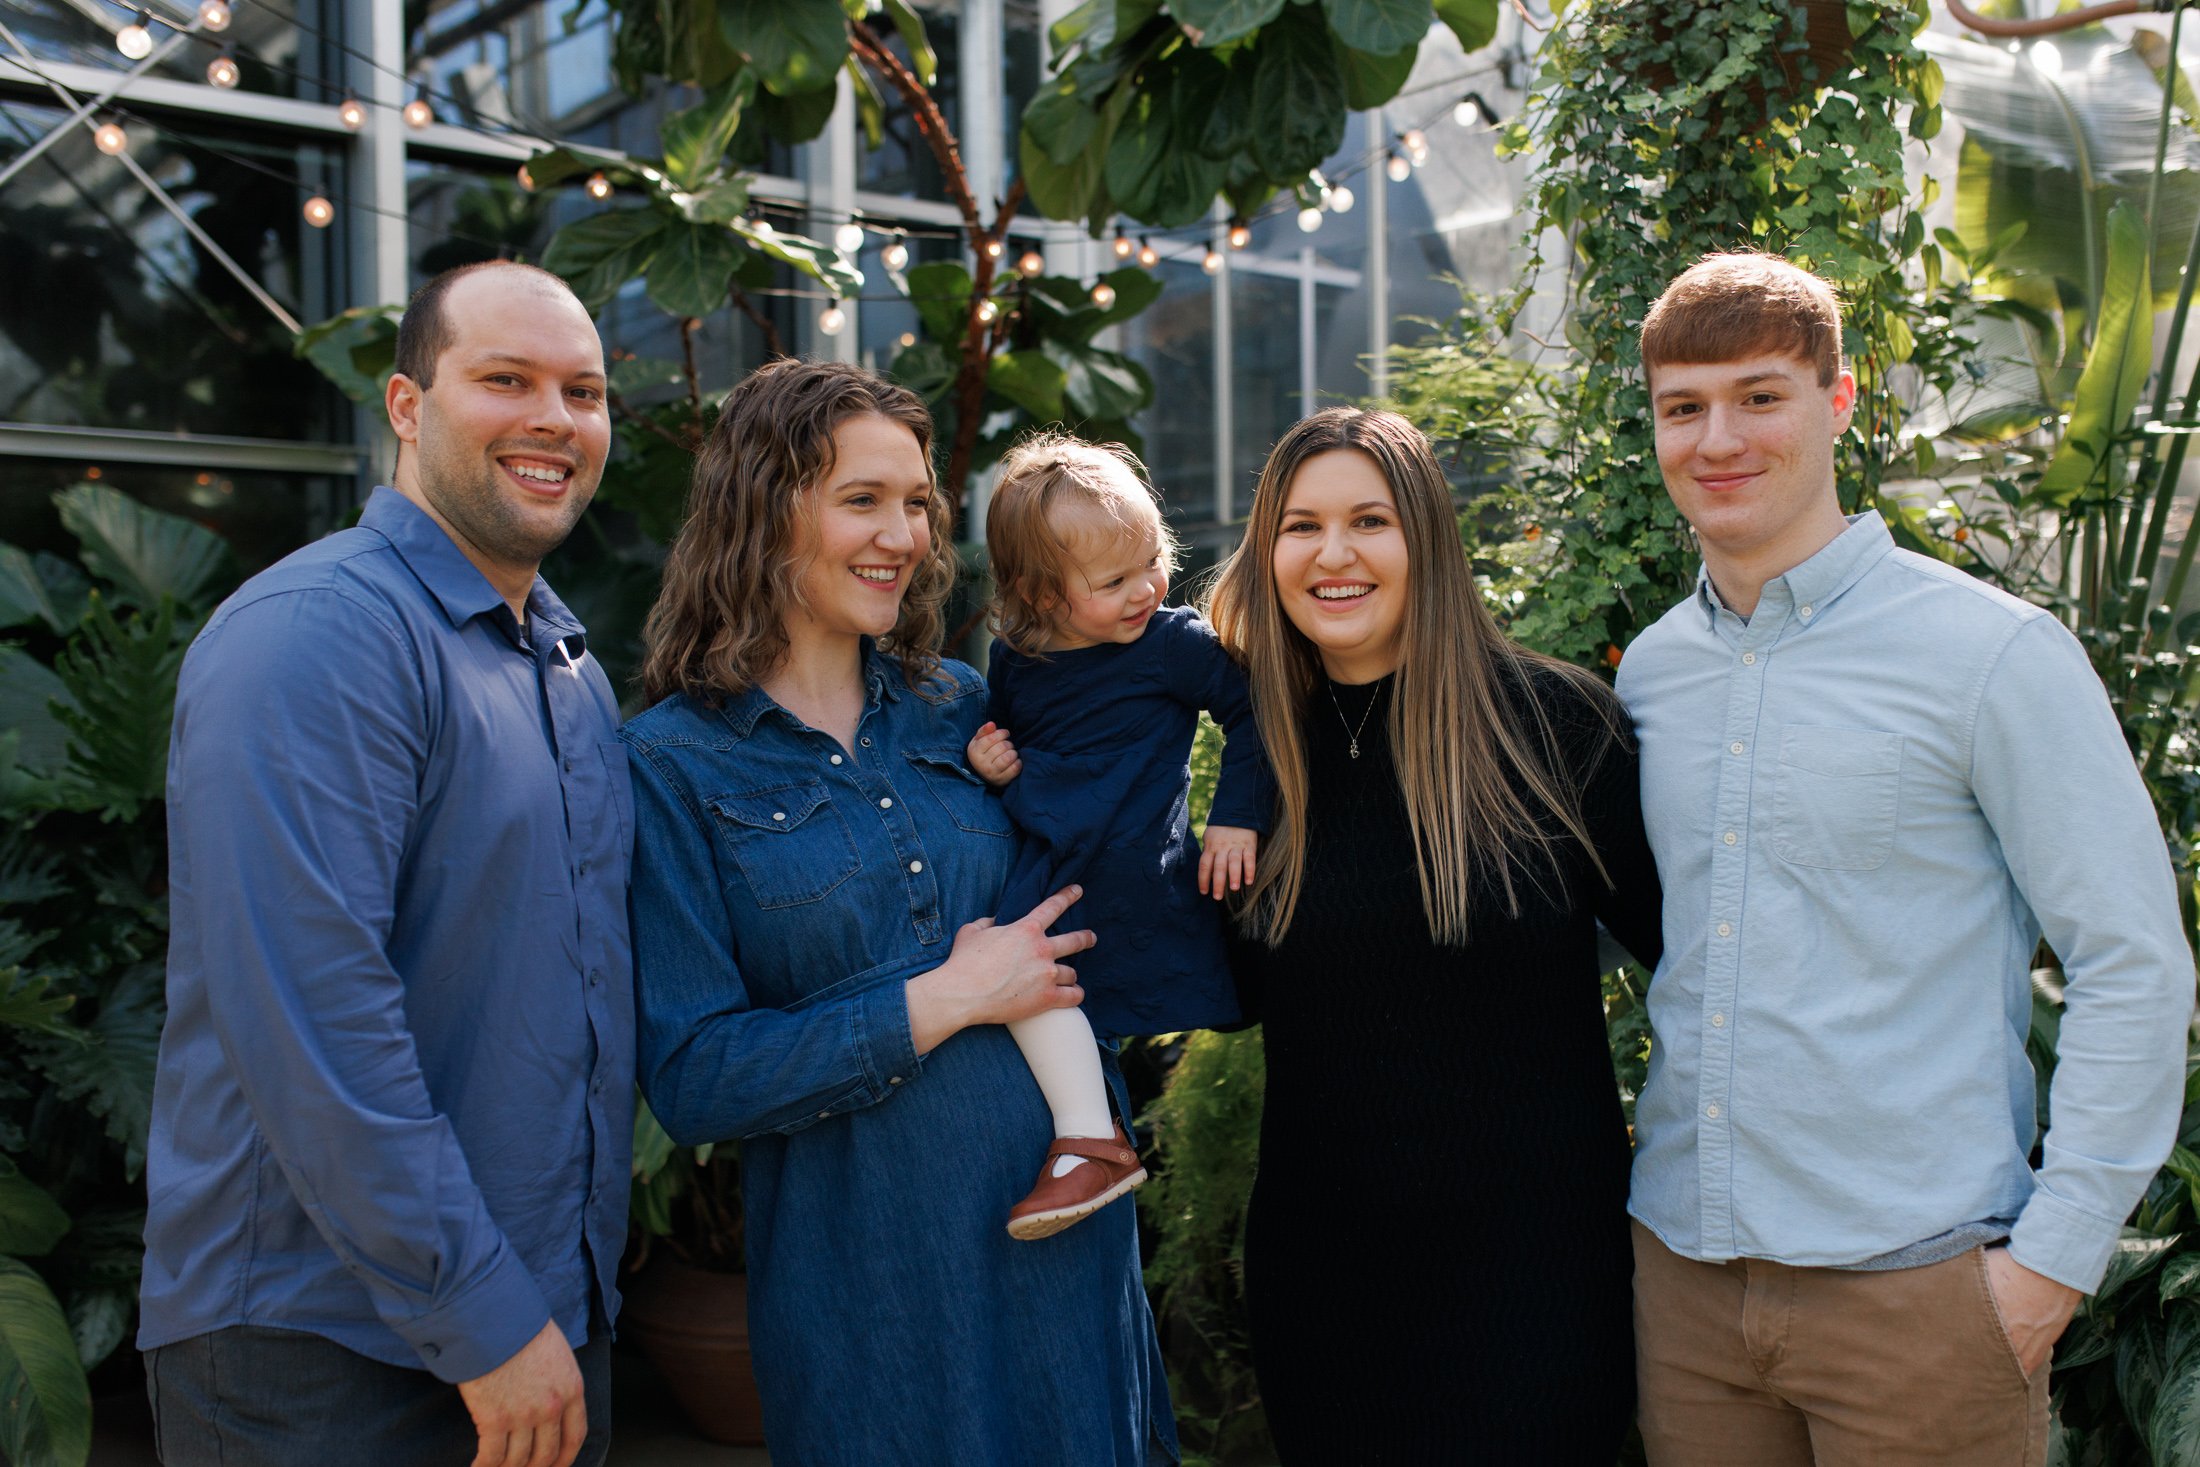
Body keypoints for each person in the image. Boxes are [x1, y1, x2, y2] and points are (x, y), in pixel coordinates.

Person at [1620, 250, 2193, 1465]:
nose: (1716, 437)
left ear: (1837, 403)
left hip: (1924, 1299)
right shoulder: (1654, 672)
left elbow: (2131, 960)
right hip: (1685, 1293)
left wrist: (2053, 1263)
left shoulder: (1989, 654)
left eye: (1759, 395)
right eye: (1684, 407)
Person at [619, 360, 1180, 1466]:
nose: (905, 534)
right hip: (875, 1308)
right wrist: (943, 998)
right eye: (861, 499)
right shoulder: (670, 766)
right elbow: (694, 1077)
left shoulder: (966, 710)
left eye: (916, 501)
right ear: (761, 510)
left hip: (1070, 1274)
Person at [139, 260, 632, 1467]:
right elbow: (313, 1022)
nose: (553, 421)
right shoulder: (318, 635)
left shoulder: (566, 664)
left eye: (584, 391)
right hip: (324, 1351)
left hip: (544, 1325)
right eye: (505, 380)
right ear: (407, 408)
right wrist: (480, 1315)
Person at [1206, 406, 1664, 1462]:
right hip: (1325, 1283)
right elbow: (1224, 994)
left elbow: (1693, 958)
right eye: (1299, 525)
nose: (1332, 555)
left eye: (1369, 520)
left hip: (1538, 1281)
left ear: (1428, 539)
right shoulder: (1258, 760)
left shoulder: (1554, 727)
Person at [966, 432, 1271, 1240]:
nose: (1148, 586)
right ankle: (1090, 1137)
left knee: (1049, 986)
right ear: (1038, 595)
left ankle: (1093, 1142)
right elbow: (1014, 742)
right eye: (1114, 579)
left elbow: (1257, 707)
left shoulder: (1171, 643)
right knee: (1025, 976)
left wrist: (1236, 814)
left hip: (1132, 864)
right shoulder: (1017, 661)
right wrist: (994, 762)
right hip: (1054, 855)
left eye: (1152, 559)